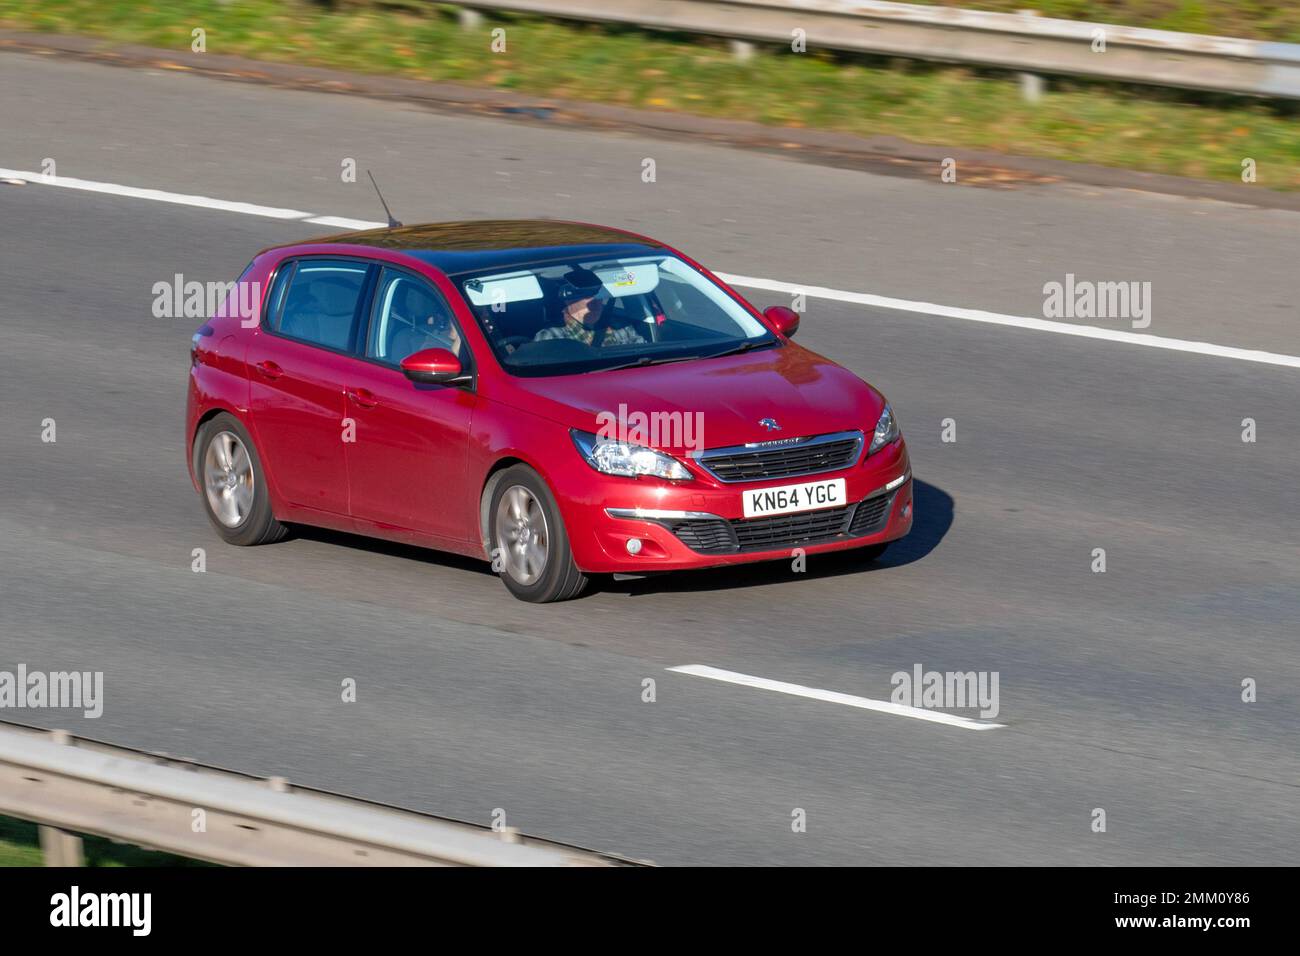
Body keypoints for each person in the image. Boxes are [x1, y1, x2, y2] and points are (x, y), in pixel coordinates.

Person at [534, 267, 645, 347]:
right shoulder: (552, 336)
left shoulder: (622, 329)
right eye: (586, 296)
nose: (595, 301)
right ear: (568, 300)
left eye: (598, 295)